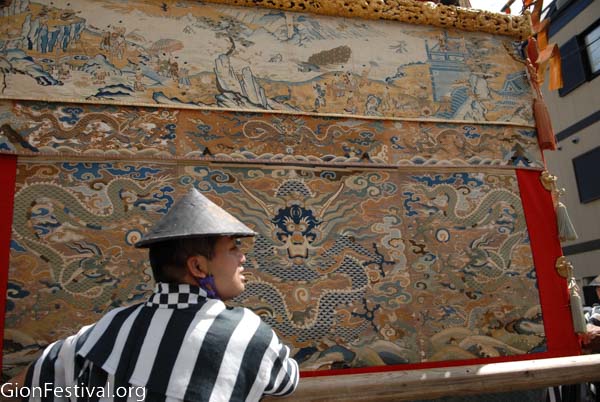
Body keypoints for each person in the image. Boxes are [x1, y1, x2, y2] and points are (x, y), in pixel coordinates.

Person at [5, 188, 299, 401]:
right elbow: (286, 382)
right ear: (197, 266)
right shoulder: (246, 333)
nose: (243, 258)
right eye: (234, 248)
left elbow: (21, 385)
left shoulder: (108, 327)